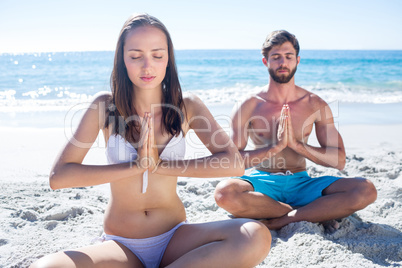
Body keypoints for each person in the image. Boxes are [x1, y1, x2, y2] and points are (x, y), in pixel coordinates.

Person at [30, 14, 271, 268]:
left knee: (255, 235)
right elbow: (59, 177)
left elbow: (233, 164)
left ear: (168, 58)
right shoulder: (105, 107)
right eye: (136, 56)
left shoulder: (187, 106)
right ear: (122, 59)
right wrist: (134, 166)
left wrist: (160, 165)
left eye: (157, 55)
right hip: (122, 246)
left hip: (175, 239)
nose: (148, 67)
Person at [214, 30, 377, 232]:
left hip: (302, 183)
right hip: (262, 182)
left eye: (288, 56)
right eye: (276, 57)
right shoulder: (248, 105)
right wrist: (275, 148)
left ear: (297, 60)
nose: (283, 62)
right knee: (224, 194)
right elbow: (233, 161)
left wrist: (297, 145)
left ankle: (282, 218)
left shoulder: (315, 104)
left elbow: (339, 160)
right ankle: (307, 212)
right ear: (265, 62)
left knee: (365, 189)